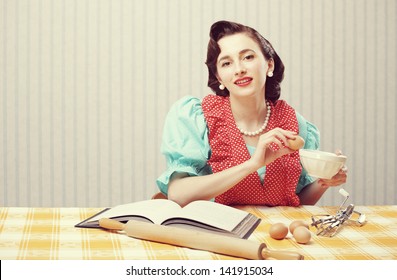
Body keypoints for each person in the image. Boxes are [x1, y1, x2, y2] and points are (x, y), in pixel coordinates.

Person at [156, 20, 347, 207]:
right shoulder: (198, 118)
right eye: (226, 63)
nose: (239, 69)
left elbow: (293, 203)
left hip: (275, 236)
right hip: (219, 233)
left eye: (248, 57)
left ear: (269, 65)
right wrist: (253, 164)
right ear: (218, 76)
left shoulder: (295, 124)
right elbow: (177, 194)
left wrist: (323, 182)